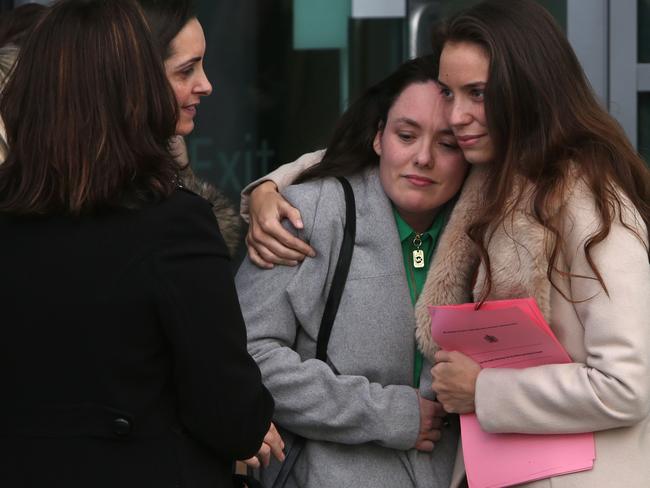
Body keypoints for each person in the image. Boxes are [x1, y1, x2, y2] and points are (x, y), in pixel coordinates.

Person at [0, 1, 273, 487]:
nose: (207, 84)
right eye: (185, 70)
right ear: (131, 89)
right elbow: (233, 415)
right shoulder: (173, 225)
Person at [411, 1, 650, 487]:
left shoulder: (590, 200)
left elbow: (626, 386)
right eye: (448, 93)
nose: (457, 116)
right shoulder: (493, 182)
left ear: (529, 86)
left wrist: (484, 390)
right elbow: (369, 149)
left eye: (477, 93)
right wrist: (271, 188)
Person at [236, 55, 472, 488]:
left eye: (448, 144)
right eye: (406, 135)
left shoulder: (487, 230)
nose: (423, 158)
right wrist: (387, 414)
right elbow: (246, 353)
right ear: (379, 137)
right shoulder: (310, 213)